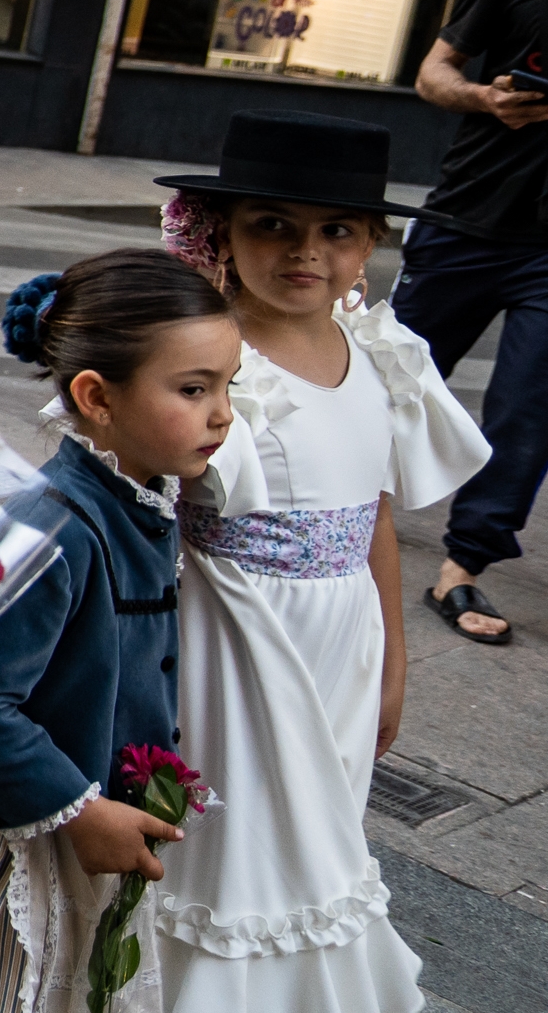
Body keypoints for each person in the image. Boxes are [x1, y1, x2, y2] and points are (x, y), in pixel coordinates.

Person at [146, 112, 487, 1012]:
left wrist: (395, 664)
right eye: (273, 224)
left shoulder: (379, 351)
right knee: (238, 842)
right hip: (231, 638)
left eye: (336, 230)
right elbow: (143, 504)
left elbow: (372, 512)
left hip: (343, 638)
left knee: (323, 833)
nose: (307, 251)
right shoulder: (205, 355)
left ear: (372, 241)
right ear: (222, 230)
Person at [0, 249, 237, 1011]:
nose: (223, 414)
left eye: (230, 386)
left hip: (73, 819)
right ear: (96, 396)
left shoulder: (140, 499)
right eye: (195, 389)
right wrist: (80, 810)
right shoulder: (55, 526)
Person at [391, 0, 548, 644]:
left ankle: (462, 565)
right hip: (467, 218)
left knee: (529, 409)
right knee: (391, 378)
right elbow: (433, 74)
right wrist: (487, 97)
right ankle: (327, 499)